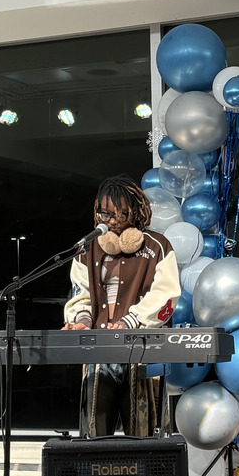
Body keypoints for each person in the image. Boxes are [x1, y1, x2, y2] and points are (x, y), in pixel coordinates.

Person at [63, 174, 181, 437]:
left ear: (136, 213)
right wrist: (81, 320)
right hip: (98, 354)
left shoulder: (158, 246)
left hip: (141, 353)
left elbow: (166, 295)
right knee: (93, 435)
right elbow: (80, 293)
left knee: (142, 436)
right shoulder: (88, 248)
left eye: (121, 215)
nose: (113, 222)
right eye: (105, 215)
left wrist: (131, 320)